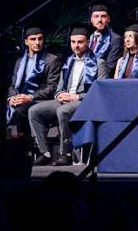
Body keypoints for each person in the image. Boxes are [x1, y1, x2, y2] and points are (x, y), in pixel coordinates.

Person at [26, 24, 99, 164]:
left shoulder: (98, 63)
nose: (76, 45)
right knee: (34, 111)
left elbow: (99, 91)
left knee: (62, 111)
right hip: (65, 99)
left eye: (80, 42)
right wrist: (59, 95)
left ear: (88, 42)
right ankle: (44, 152)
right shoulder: (68, 62)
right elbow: (59, 87)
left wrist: (76, 97)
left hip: (84, 101)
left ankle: (66, 153)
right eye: (73, 42)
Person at [2, 24, 53, 136]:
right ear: (26, 42)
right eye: (33, 39)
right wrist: (12, 98)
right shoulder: (20, 61)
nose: (37, 42)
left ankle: (24, 147)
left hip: (37, 99)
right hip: (19, 98)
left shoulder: (51, 60)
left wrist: (29, 97)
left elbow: (52, 87)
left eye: (40, 39)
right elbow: (13, 85)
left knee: (21, 111)